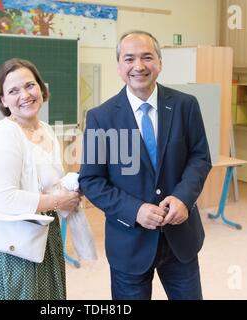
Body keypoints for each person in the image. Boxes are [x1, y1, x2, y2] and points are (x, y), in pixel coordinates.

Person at [79, 30, 212, 300]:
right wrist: (135, 210)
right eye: (129, 59)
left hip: (180, 240)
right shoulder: (100, 117)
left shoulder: (186, 105)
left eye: (147, 57)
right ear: (119, 67)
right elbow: (91, 181)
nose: (138, 66)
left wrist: (184, 198)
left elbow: (200, 157)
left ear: (160, 63)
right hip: (129, 243)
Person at [0, 58, 81, 300]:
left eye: (30, 85)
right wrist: (58, 202)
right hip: (11, 249)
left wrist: (71, 188)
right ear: (3, 101)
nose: (25, 95)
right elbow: (4, 198)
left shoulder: (46, 130)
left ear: (41, 88)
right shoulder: (5, 133)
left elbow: (48, 183)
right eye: (13, 91)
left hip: (43, 236)